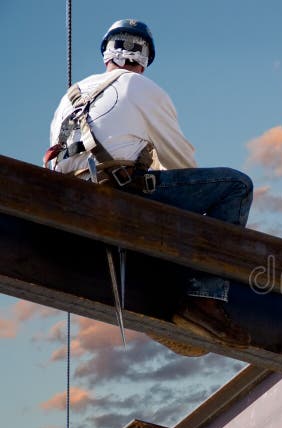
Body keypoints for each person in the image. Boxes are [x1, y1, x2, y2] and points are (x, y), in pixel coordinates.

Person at [45, 19, 253, 352]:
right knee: (235, 187)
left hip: (67, 201)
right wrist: (209, 232)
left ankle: (162, 285)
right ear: (144, 59)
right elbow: (181, 162)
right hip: (117, 193)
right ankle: (205, 300)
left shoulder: (69, 97)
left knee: (153, 200)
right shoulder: (141, 88)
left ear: (106, 54)